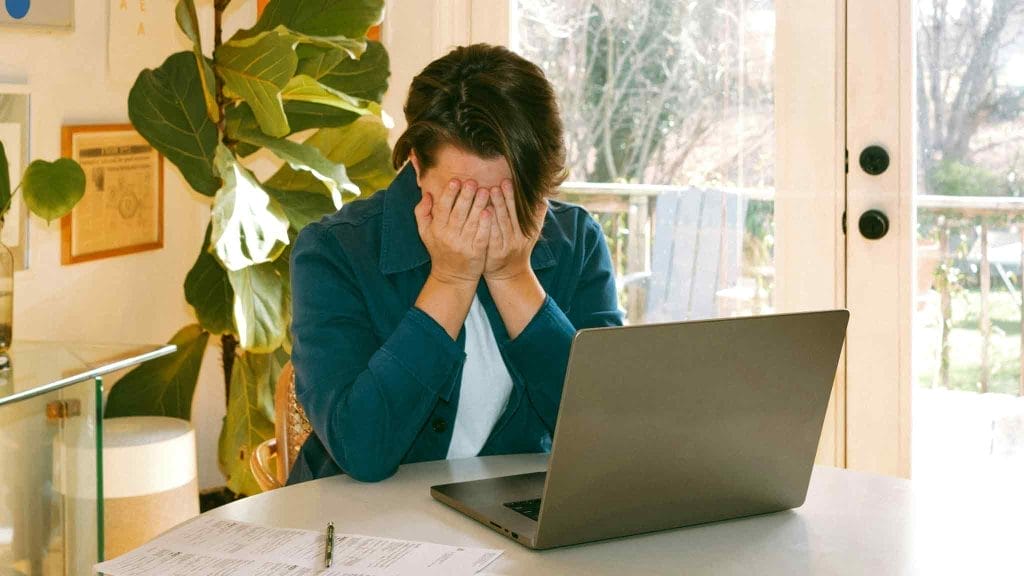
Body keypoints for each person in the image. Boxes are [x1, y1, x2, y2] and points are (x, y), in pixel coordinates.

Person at [288, 43, 623, 484]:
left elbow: (611, 430)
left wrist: (512, 276)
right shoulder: (334, 252)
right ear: (415, 165)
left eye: (508, 196)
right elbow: (362, 449)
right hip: (361, 528)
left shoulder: (575, 241)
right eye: (462, 196)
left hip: (512, 519)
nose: (485, 217)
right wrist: (449, 279)